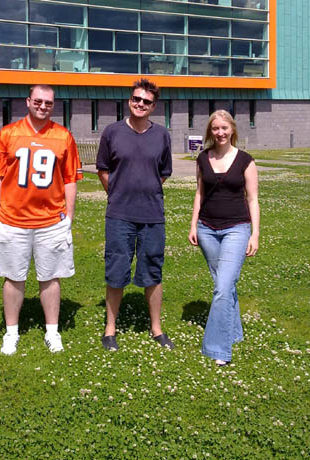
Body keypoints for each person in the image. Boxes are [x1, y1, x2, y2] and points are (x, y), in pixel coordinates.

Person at [0, 84, 83, 355]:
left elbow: (71, 180)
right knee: (13, 276)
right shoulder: (8, 134)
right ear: (28, 101)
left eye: (48, 103)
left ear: (54, 105)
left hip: (51, 220)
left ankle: (52, 331)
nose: (43, 106)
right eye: (38, 101)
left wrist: (68, 217)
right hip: (13, 219)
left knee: (51, 277)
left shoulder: (63, 136)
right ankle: (11, 332)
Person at [96, 78, 175, 351]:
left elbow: (164, 173)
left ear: (154, 107)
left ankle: (156, 329)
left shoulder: (162, 135)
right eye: (136, 99)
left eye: (146, 101)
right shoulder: (112, 132)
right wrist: (118, 193)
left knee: (153, 269)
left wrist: (145, 191)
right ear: (130, 101)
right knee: (116, 270)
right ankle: (110, 329)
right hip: (119, 215)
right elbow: (103, 169)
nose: (140, 104)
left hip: (153, 215)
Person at [188, 109, 259, 367]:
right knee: (224, 284)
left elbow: (253, 199)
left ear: (232, 130)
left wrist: (256, 233)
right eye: (215, 128)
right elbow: (199, 194)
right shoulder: (203, 159)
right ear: (210, 131)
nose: (220, 133)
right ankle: (235, 332)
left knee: (221, 288)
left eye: (224, 128)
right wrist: (193, 224)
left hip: (236, 229)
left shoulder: (246, 161)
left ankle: (218, 349)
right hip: (207, 229)